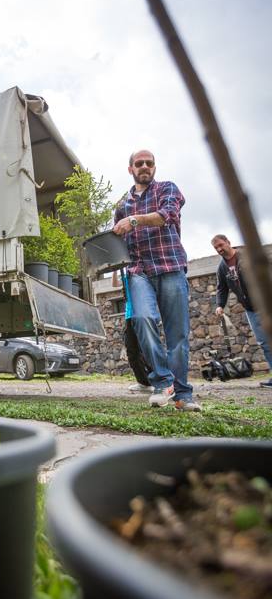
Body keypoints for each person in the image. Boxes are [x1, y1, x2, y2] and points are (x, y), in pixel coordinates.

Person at [113, 149, 201, 411]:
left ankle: (182, 396)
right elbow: (118, 242)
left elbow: (167, 215)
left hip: (170, 266)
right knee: (141, 319)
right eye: (139, 163)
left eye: (149, 163)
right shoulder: (122, 205)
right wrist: (114, 269)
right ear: (130, 169)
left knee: (177, 335)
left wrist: (134, 221)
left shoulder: (167, 188)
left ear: (154, 167)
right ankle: (163, 381)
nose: (144, 166)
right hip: (138, 271)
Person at [211, 234, 272, 387]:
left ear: (228, 242)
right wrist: (220, 305)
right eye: (216, 247)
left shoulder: (246, 256)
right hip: (250, 309)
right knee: (265, 343)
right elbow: (221, 288)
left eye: (221, 245)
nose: (219, 249)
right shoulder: (222, 268)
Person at [112, 269, 153, 392]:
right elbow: (115, 284)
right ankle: (143, 382)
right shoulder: (127, 276)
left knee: (147, 349)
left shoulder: (143, 275)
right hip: (129, 316)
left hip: (142, 314)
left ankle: (157, 381)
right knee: (132, 351)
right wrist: (114, 269)